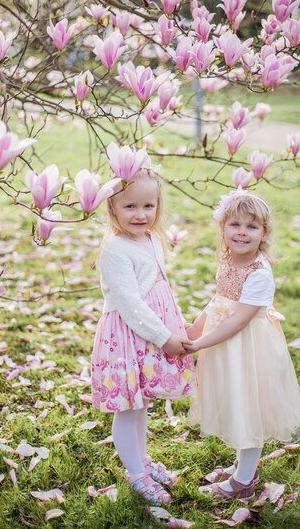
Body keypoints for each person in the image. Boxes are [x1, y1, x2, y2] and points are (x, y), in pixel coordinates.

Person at [185, 189, 300, 502]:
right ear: (223, 229)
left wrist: (199, 343)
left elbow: (237, 320)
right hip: (227, 347)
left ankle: (244, 480)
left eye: (252, 227)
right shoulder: (228, 260)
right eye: (235, 225)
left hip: (247, 349)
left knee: (249, 408)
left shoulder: (259, 271)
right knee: (236, 402)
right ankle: (243, 466)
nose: (242, 232)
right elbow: (218, 304)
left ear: (264, 233)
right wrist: (192, 330)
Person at [91, 166, 195, 505]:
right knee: (128, 406)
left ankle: (142, 461)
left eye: (148, 206)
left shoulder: (152, 240)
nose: (141, 214)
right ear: (112, 208)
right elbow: (130, 304)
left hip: (148, 335)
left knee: (142, 403)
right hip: (127, 336)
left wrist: (172, 326)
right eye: (130, 206)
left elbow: (158, 290)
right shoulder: (115, 251)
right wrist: (165, 336)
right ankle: (136, 475)